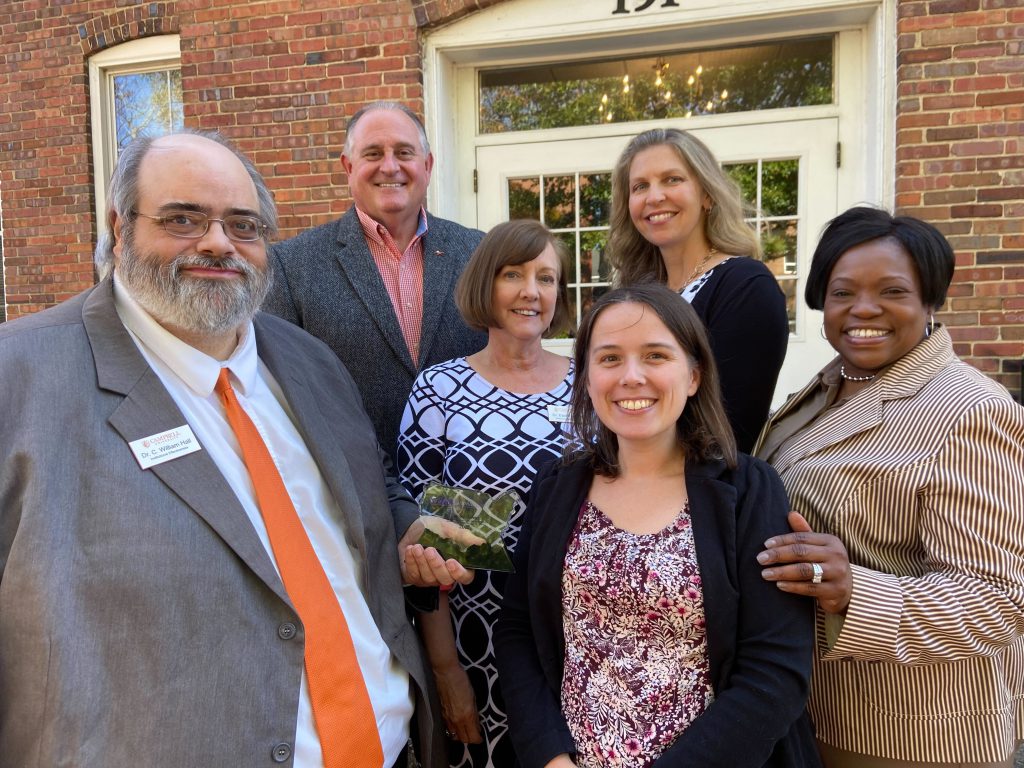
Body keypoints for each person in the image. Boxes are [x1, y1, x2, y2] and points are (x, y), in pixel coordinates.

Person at [0, 130, 463, 768]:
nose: (218, 242)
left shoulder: (308, 361)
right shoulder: (19, 379)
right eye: (182, 219)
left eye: (243, 225)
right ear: (120, 225)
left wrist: (407, 528)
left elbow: (363, 497)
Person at [495, 282, 820, 768]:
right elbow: (518, 629)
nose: (631, 376)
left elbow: (774, 672)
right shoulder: (558, 486)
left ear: (693, 375)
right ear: (585, 377)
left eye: (655, 356)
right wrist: (549, 757)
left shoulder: (748, 491)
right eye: (608, 359)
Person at [755, 207, 1024, 767]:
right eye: (841, 292)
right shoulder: (828, 386)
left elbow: (997, 599)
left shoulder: (970, 409)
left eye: (892, 291)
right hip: (814, 706)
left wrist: (853, 592)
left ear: (930, 301)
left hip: (913, 729)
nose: (863, 310)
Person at [396, 219, 574, 768]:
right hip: (481, 642)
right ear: (484, 285)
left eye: (547, 278)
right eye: (513, 274)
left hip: (584, 638)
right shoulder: (442, 392)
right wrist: (447, 671)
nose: (531, 291)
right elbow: (433, 549)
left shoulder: (593, 383)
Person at [264, 101, 487, 459]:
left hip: (467, 482)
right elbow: (283, 394)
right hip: (356, 487)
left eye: (404, 152)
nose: (390, 166)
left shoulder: (479, 251)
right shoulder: (291, 265)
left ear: (427, 166)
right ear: (349, 167)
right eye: (373, 153)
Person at [607, 127, 789, 453]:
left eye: (672, 179)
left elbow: (728, 431)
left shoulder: (746, 287)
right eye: (640, 186)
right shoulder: (633, 294)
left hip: (702, 491)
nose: (654, 196)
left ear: (706, 194)